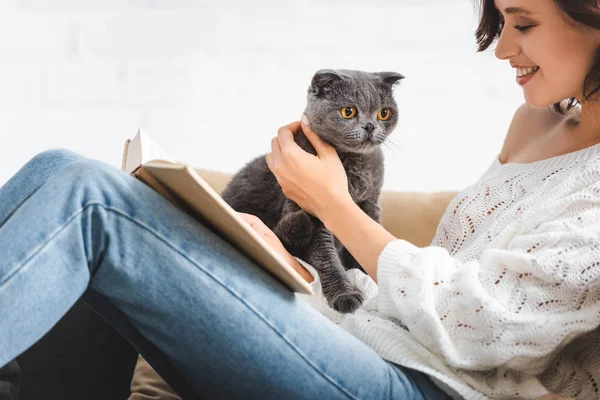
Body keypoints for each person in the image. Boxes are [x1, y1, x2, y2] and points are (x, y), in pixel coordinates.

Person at [1, 0, 599, 397]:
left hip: (429, 388)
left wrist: (335, 204)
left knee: (91, 200)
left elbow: (480, 330)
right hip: (377, 344)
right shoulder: (535, 123)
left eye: (522, 24)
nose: (500, 48)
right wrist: (281, 263)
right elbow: (422, 301)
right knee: (66, 168)